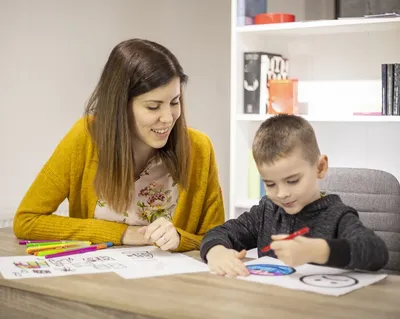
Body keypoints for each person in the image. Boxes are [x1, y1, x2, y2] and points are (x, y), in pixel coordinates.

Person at [13, 38, 225, 251]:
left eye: (174, 102)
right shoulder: (85, 138)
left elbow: (218, 238)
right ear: (120, 106)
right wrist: (121, 234)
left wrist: (180, 239)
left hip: (171, 282)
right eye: (153, 107)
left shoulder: (199, 149)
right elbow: (27, 220)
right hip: (95, 279)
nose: (168, 118)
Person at [200, 114, 389, 276]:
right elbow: (218, 233)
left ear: (320, 167)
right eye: (270, 184)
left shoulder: (337, 215)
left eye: (292, 181)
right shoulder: (266, 211)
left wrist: (317, 251)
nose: (282, 194)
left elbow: (377, 252)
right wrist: (216, 251)